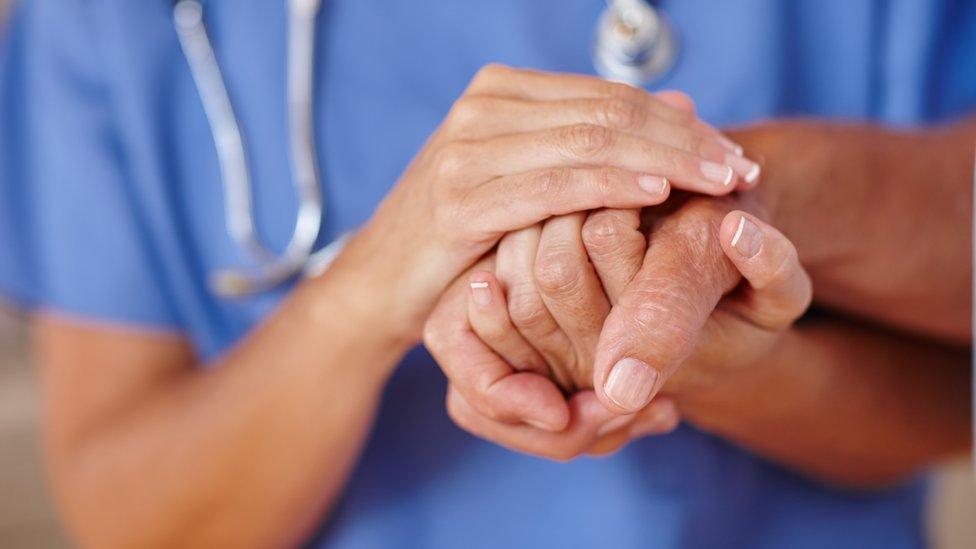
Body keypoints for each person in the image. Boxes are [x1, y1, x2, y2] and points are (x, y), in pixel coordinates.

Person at [0, 2, 972, 548]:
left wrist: (709, 350)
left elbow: (945, 404)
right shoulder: (98, 27)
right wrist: (368, 295)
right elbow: (136, 522)